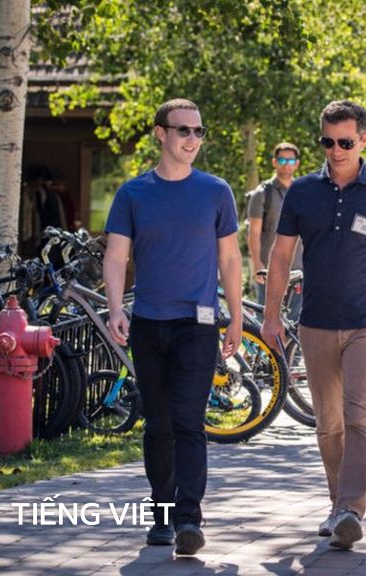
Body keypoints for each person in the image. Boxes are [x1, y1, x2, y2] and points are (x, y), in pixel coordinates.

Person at [261, 100, 366, 550]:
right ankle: (338, 507)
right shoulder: (302, 192)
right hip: (316, 322)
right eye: (328, 142)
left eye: (346, 142)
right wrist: (271, 315)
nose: (336, 150)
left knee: (359, 416)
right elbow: (281, 255)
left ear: (365, 140)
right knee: (329, 424)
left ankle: (352, 508)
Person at [102, 98, 243, 556]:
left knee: (188, 422)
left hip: (197, 326)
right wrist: (115, 308)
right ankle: (161, 515)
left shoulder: (216, 191)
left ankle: (188, 519)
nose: (192, 139)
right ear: (160, 134)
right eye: (184, 130)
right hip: (147, 324)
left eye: (199, 131)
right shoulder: (133, 194)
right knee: (158, 425)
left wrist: (236, 316)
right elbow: (116, 256)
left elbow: (229, 259)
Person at [246, 142, 304, 318]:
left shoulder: (303, 192)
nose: (286, 164)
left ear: (297, 164)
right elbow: (253, 232)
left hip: (299, 272)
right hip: (270, 271)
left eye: (290, 160)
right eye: (282, 160)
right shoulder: (262, 194)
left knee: (295, 324)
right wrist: (257, 264)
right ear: (274, 162)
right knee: (266, 321)